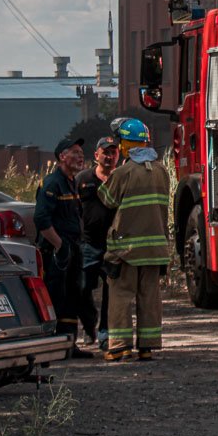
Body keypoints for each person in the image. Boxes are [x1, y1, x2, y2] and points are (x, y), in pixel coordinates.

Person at [98, 119, 170, 362]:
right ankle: (147, 346)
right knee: (149, 297)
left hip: (126, 249)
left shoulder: (123, 173)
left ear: (125, 146)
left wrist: (106, 177)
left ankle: (120, 346)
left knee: (120, 295)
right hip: (155, 248)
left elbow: (107, 200)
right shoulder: (161, 171)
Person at [34, 137, 92, 358]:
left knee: (72, 297)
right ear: (62, 157)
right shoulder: (52, 183)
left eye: (81, 152)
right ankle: (52, 346)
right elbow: (41, 219)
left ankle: (69, 344)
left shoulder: (71, 182)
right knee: (56, 297)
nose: (80, 156)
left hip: (73, 250)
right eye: (75, 152)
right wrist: (60, 247)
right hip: (57, 254)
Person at [76, 136, 120, 349]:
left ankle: (105, 330)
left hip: (113, 245)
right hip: (88, 244)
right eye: (106, 153)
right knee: (83, 287)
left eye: (114, 153)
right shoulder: (83, 179)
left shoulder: (121, 179)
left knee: (111, 289)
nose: (110, 157)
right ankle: (88, 324)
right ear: (96, 156)